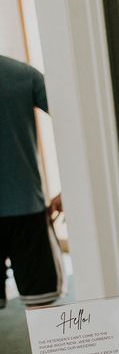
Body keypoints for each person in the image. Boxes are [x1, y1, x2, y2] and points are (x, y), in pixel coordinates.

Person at [0, 54, 64, 309]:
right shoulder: (23, 74)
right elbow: (77, 124)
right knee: (41, 306)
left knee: (41, 303)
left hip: (26, 206)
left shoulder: (25, 76)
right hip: (25, 208)